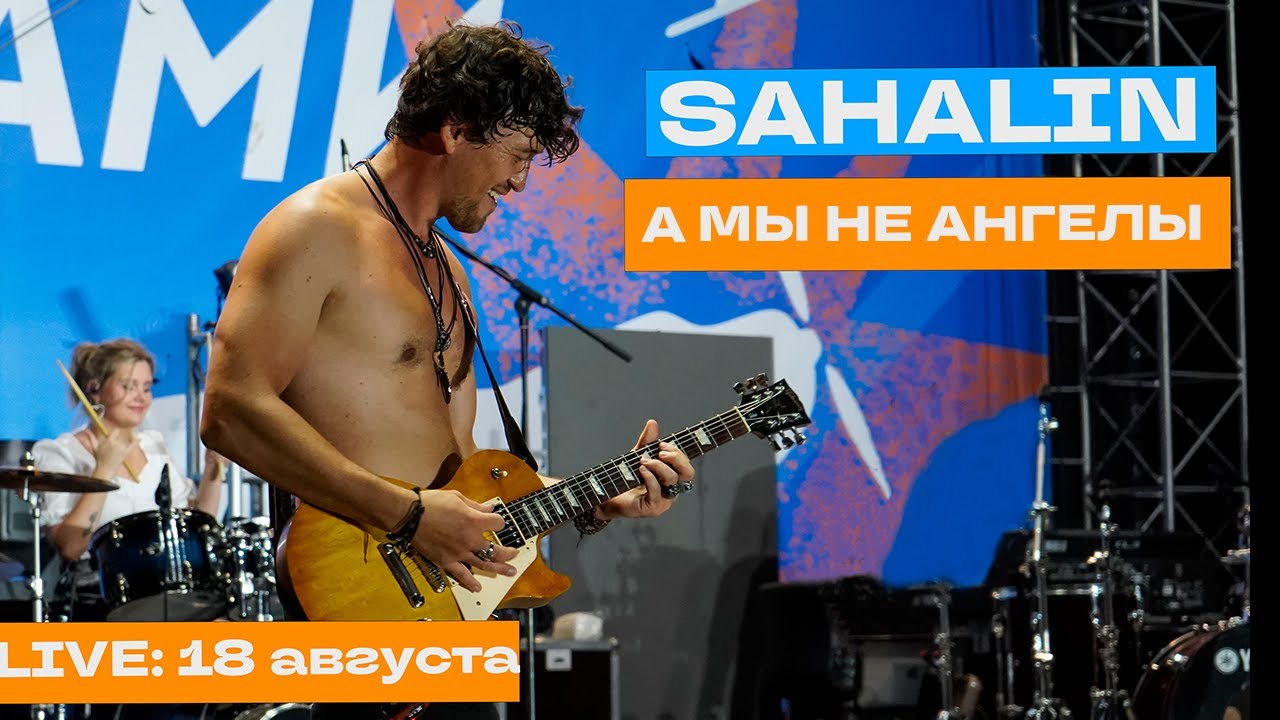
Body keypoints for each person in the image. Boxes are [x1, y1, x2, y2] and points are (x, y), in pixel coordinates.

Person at [199, 19, 695, 720]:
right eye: (517, 156)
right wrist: (408, 518)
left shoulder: (450, 271)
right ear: (457, 130)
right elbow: (229, 409)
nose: (519, 181)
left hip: (452, 618)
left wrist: (595, 500)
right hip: (362, 610)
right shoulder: (316, 227)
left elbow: (459, 484)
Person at [31, 338, 227, 719]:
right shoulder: (61, 453)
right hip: (99, 599)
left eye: (146, 387)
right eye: (127, 385)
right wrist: (103, 468)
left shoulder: (154, 447)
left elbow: (198, 524)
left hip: (166, 595)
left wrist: (213, 470)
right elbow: (70, 546)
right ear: (94, 389)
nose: (140, 397)